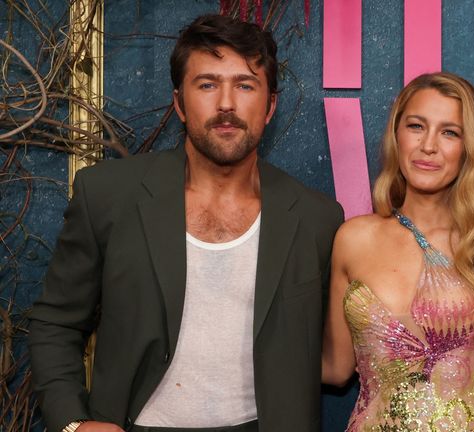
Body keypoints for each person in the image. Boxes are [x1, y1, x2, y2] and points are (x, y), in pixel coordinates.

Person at [28, 14, 343, 432]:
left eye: (245, 85)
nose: (226, 104)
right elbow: (56, 322)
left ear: (270, 106)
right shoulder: (107, 196)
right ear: (179, 102)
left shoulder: (316, 218)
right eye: (207, 84)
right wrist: (72, 423)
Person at [322, 72, 474, 431]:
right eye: (416, 126)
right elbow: (337, 369)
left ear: (471, 148)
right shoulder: (353, 238)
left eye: (450, 132)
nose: (428, 145)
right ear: (397, 135)